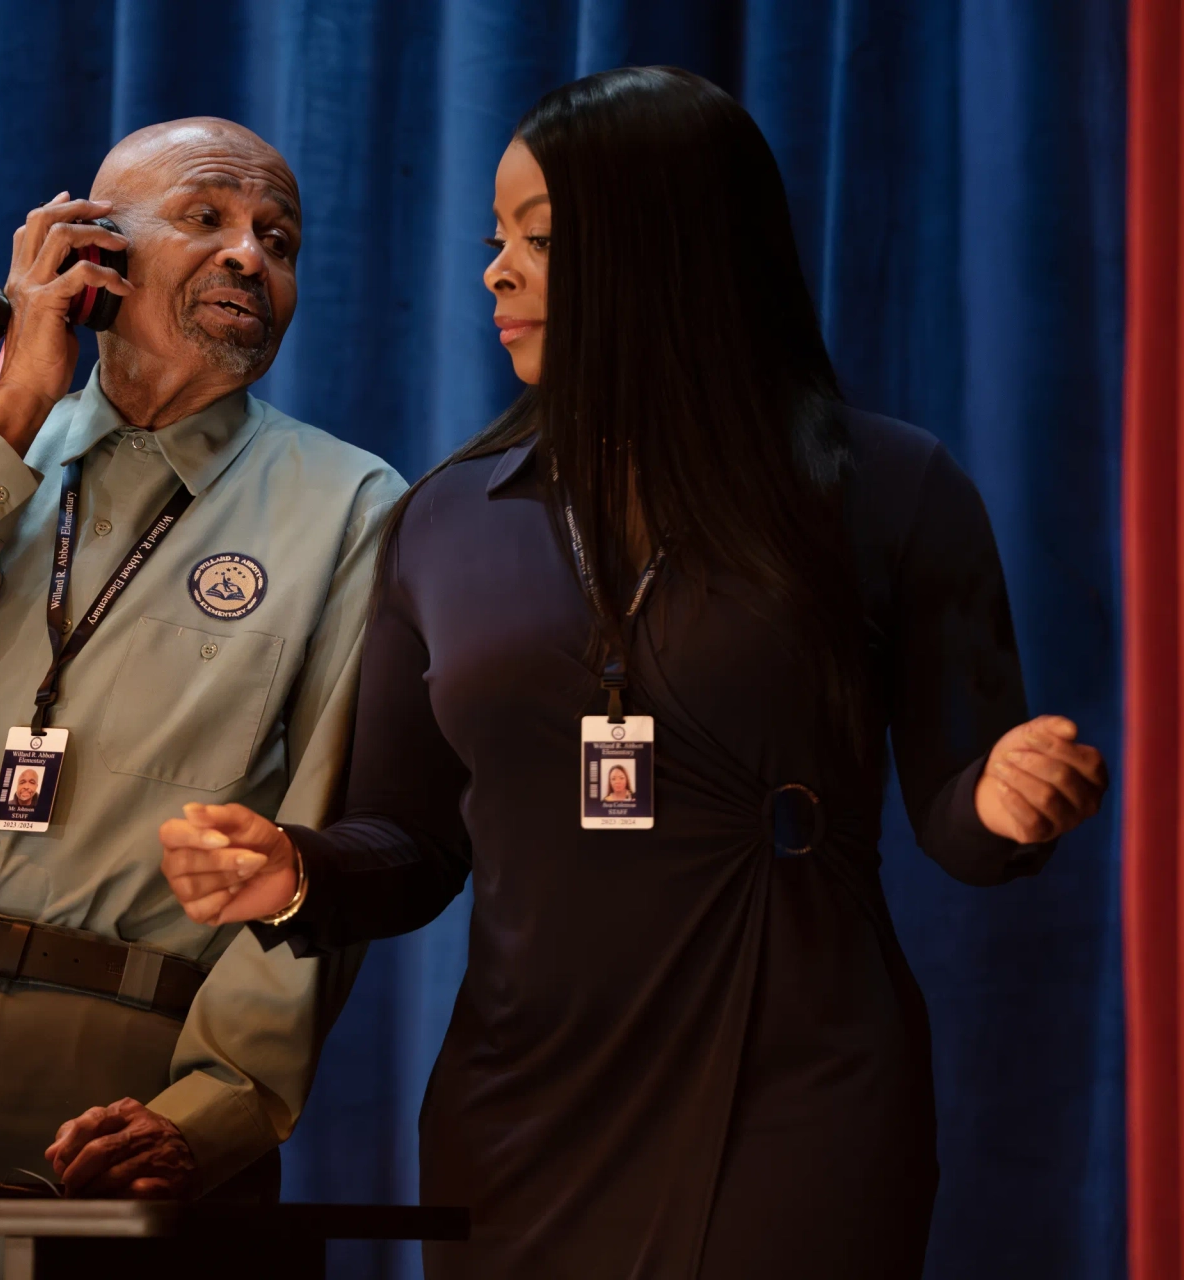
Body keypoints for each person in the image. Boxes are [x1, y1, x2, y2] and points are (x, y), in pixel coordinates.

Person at [157, 68, 1107, 1279]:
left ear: (669, 249)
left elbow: (959, 818)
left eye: (541, 241)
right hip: (521, 1102)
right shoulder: (445, 519)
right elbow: (410, 838)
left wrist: (1001, 795)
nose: (495, 273)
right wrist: (294, 872)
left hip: (797, 1084)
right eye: (495, 239)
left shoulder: (888, 489)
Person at [0, 117, 403, 1280]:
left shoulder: (351, 508)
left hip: (121, 1081)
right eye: (207, 219)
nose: (252, 254)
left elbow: (318, 843)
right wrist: (11, 413)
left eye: (279, 237)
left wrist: (217, 1109)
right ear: (87, 259)